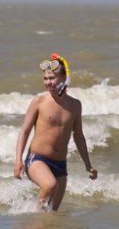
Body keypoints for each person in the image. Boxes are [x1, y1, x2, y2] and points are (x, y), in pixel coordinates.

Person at [13, 53, 97, 211]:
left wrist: (88, 165)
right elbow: (24, 131)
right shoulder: (39, 101)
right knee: (49, 185)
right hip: (37, 160)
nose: (48, 82)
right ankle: (34, 220)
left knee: (52, 212)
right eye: (45, 79)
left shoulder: (75, 105)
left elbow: (78, 136)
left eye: (52, 78)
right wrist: (18, 160)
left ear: (65, 78)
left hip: (60, 165)